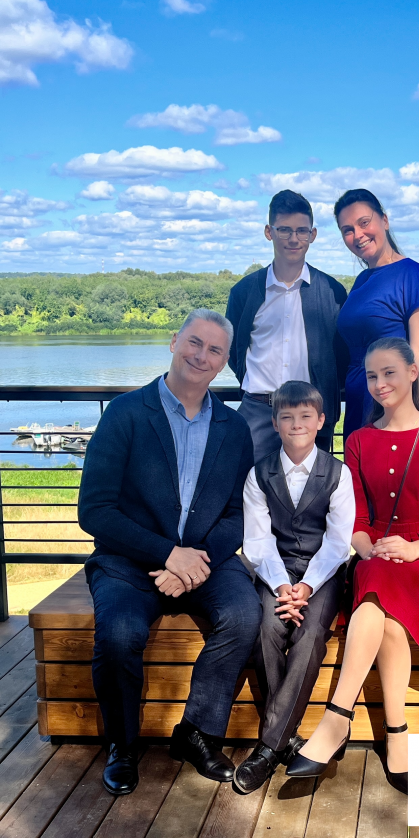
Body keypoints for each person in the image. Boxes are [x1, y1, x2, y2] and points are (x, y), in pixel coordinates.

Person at [287, 337, 419, 794]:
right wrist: (366, 548)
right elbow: (357, 518)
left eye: (389, 372)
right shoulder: (358, 440)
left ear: (412, 373)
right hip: (377, 555)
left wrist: (413, 549)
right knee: (375, 584)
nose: (380, 383)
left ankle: (336, 720)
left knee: (379, 603)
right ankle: (395, 735)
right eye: (372, 376)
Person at [78, 309, 262, 796]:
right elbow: (94, 510)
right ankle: (122, 745)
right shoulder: (125, 413)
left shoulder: (233, 427)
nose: (201, 356)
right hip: (127, 560)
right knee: (119, 634)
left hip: (206, 560)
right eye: (194, 343)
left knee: (245, 615)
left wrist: (191, 562)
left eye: (215, 350)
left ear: (225, 361)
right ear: (174, 341)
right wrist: (167, 554)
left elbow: (238, 515)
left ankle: (196, 733)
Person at [234, 380, 354, 793]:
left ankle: (269, 747)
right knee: (264, 629)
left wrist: (308, 586)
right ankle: (284, 740)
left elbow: (338, 542)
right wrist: (283, 585)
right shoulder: (259, 474)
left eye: (306, 416)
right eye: (287, 417)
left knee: (310, 636)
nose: (297, 424)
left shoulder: (338, 474)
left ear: (321, 421)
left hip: (323, 574)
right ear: (275, 423)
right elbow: (257, 540)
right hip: (275, 570)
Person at [226, 189, 349, 461]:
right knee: (251, 484)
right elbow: (233, 351)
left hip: (312, 414)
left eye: (302, 231)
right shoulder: (244, 292)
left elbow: (342, 356)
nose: (294, 239)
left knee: (311, 488)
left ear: (312, 235)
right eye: (284, 230)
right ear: (269, 232)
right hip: (258, 413)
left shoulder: (333, 292)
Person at [334, 188, 419, 440]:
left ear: (384, 220)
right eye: (347, 230)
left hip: (392, 407)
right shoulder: (361, 281)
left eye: (364, 223)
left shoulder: (412, 274)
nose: (358, 235)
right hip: (356, 403)